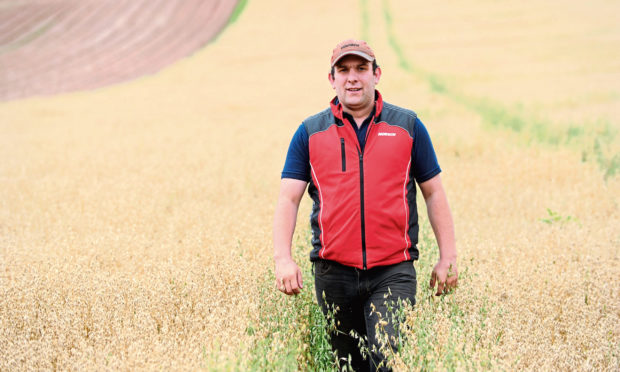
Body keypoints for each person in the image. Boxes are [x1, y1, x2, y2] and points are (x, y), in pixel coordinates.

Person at [273, 39, 458, 371]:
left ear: (377, 75)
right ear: (331, 79)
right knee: (349, 366)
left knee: (387, 360)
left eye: (361, 69)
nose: (352, 78)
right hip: (333, 274)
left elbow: (433, 192)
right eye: (343, 70)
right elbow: (288, 198)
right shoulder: (309, 133)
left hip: (393, 270)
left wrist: (448, 256)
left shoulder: (408, 126)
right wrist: (283, 259)